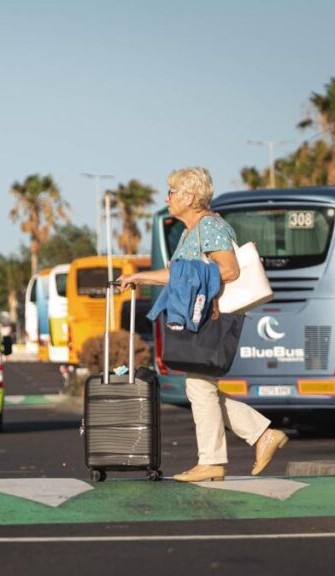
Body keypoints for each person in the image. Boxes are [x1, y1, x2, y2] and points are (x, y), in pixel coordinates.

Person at [117, 167, 288, 482]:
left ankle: (217, 458)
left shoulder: (209, 227)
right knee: (200, 387)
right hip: (202, 317)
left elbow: (230, 270)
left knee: (199, 386)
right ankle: (260, 435)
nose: (167, 198)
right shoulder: (190, 231)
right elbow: (179, 274)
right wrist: (138, 277)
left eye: (172, 192)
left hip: (212, 317)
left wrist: (189, 279)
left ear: (190, 196)